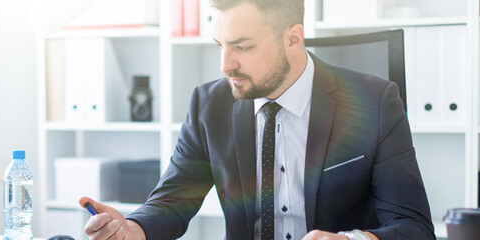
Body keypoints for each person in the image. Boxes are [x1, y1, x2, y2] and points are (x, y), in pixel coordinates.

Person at [79, 0, 435, 239]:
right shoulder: (209, 104)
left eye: (242, 47)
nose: (224, 64)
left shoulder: (374, 101)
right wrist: (132, 229)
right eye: (220, 45)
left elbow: (413, 226)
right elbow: (173, 200)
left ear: (293, 38)